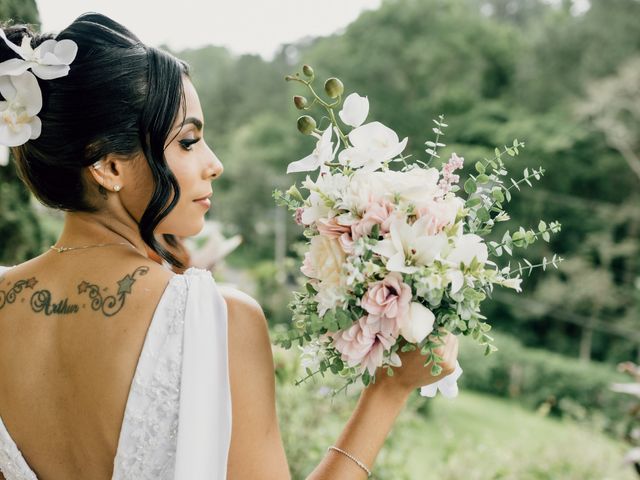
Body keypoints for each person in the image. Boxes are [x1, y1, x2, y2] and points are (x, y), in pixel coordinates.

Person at [0, 13, 459, 480]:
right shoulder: (214, 319)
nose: (213, 164)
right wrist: (390, 390)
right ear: (110, 168)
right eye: (189, 141)